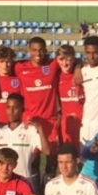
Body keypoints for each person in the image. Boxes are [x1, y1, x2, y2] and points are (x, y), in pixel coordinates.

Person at [0, 93, 50, 195]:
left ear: (22, 109)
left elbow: (47, 151)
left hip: (24, 184)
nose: (11, 111)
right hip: (0, 184)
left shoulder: (30, 130)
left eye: (15, 108)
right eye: (8, 107)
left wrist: (40, 130)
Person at [15, 36, 61, 182]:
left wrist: (78, 68)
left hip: (50, 122)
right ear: (29, 50)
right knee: (32, 162)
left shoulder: (53, 65)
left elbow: (72, 59)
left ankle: (47, 194)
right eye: (34, 50)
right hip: (30, 122)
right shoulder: (20, 68)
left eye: (41, 50)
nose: (38, 53)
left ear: (46, 50)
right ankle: (35, 193)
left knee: (51, 161)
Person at [56, 44, 84, 147]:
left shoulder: (82, 73)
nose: (65, 63)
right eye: (61, 59)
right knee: (67, 152)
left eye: (68, 59)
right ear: (57, 60)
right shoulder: (56, 76)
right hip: (66, 123)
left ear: (73, 59)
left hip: (83, 121)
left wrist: (78, 67)